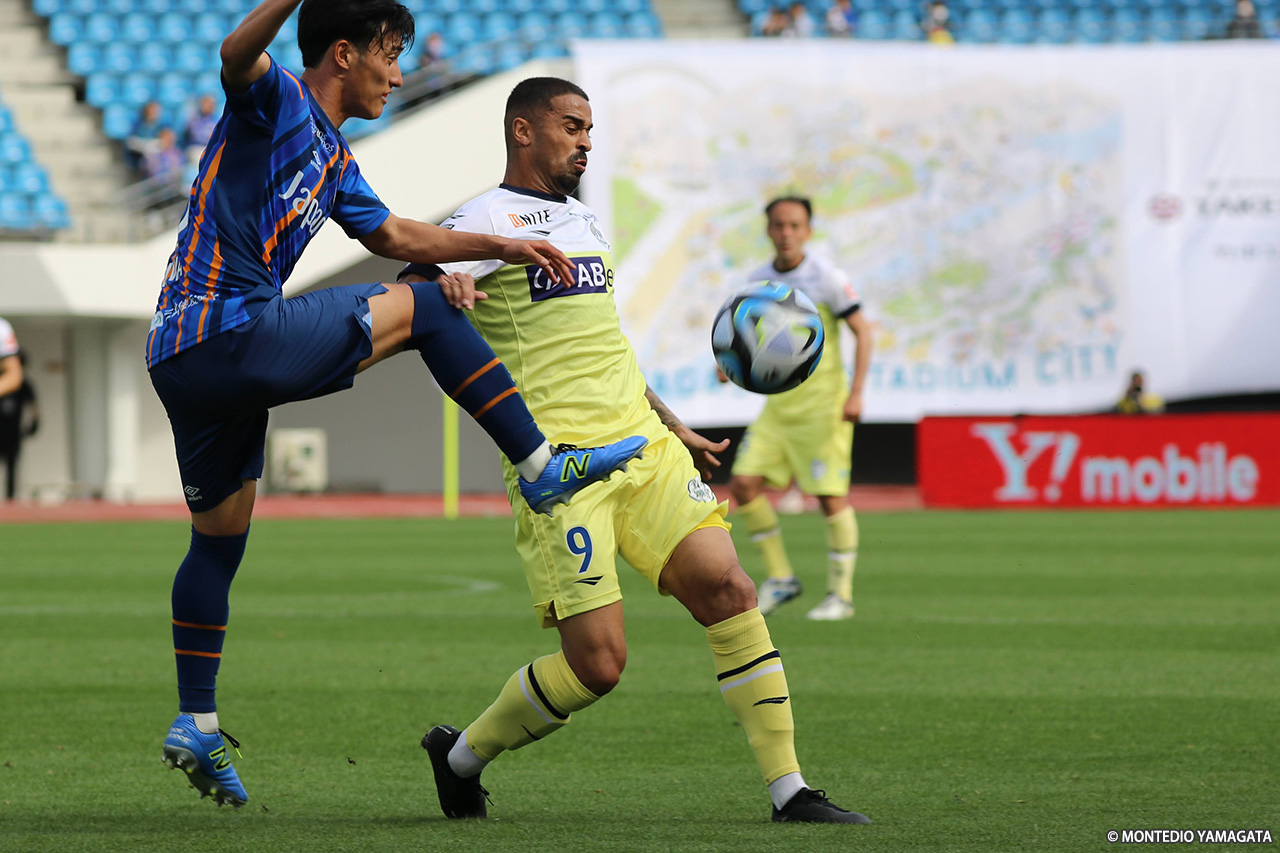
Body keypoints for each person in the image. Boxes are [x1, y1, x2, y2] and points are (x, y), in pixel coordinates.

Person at [151, 0, 646, 810]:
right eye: (389, 54)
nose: (398, 73)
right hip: (229, 328)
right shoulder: (279, 99)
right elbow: (236, 54)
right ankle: (541, 464)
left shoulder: (335, 158)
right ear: (344, 54)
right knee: (431, 309)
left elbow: (397, 238)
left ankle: (196, 720)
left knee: (218, 541)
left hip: (180, 356)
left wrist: (502, 244)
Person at [403, 77, 869, 826]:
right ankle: (459, 758)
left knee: (730, 588)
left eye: (589, 129)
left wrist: (672, 424)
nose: (586, 141)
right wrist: (445, 288)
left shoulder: (585, 221)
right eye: (571, 126)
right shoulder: (484, 221)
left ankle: (790, 790)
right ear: (523, 131)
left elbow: (603, 346)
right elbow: (413, 294)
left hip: (644, 449)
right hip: (559, 471)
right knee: (599, 664)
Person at [727, 197, 874, 622]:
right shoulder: (760, 281)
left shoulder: (826, 277)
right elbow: (744, 336)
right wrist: (730, 366)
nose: (786, 233)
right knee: (743, 484)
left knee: (829, 497)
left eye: (794, 225)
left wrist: (856, 393)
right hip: (778, 410)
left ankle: (841, 596)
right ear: (768, 230)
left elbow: (863, 332)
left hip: (823, 408)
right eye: (778, 225)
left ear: (808, 230)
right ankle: (781, 578)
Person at [0, 350, 39, 501]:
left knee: (12, 466)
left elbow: (33, 405)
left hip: (13, 432)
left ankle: (10, 499)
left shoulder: (24, 384)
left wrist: (35, 422)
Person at [125, 100, 167, 172]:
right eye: (151, 110)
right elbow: (130, 141)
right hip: (139, 156)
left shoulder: (161, 126)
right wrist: (144, 146)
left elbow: (165, 141)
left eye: (155, 111)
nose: (153, 113)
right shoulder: (137, 125)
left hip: (156, 157)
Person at [183, 94, 221, 161]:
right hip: (196, 148)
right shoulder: (194, 119)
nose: (207, 106)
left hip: (211, 148)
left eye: (209, 104)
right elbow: (194, 135)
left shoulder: (217, 120)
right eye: (205, 104)